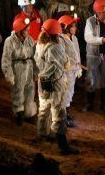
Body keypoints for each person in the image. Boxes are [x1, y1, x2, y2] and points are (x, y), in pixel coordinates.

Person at [35, 19, 79, 155]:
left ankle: (43, 134)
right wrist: (73, 64)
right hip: (55, 82)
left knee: (44, 108)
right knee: (59, 112)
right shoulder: (56, 47)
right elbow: (65, 64)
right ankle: (62, 145)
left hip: (42, 82)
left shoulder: (39, 45)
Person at [1, 17, 37, 126]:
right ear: (19, 30)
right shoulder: (10, 41)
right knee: (18, 92)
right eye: (26, 29)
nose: (28, 31)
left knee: (30, 91)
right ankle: (19, 113)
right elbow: (6, 59)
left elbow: (35, 57)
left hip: (29, 68)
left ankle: (29, 113)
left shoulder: (30, 40)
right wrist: (9, 75)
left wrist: (36, 72)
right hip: (17, 68)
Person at [58, 15, 82, 128]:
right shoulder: (60, 39)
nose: (75, 28)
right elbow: (61, 56)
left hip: (72, 71)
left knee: (70, 93)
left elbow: (77, 53)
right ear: (66, 27)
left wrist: (79, 68)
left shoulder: (74, 38)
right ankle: (62, 116)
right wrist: (68, 66)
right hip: (65, 72)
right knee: (64, 94)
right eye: (73, 26)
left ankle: (66, 114)